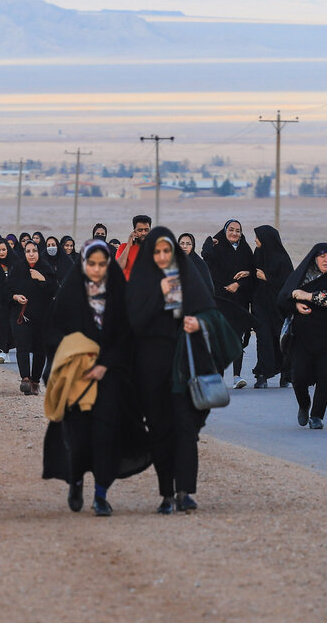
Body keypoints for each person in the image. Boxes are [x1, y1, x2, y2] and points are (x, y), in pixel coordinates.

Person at [126, 227, 237, 514]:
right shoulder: (141, 282)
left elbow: (211, 314)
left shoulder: (187, 277)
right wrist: (159, 295)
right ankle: (166, 494)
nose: (163, 257)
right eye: (157, 252)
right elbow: (132, 322)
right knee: (161, 433)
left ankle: (184, 491)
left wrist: (200, 324)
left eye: (168, 251)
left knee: (186, 431)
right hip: (152, 371)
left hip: (186, 370)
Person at [42, 240, 151, 516]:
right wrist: (77, 357)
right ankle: (76, 480)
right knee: (79, 439)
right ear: (83, 264)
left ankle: (101, 494)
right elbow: (54, 333)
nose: (97, 269)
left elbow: (127, 336)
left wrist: (105, 365)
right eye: (92, 263)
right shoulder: (70, 293)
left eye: (103, 264)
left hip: (111, 376)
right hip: (77, 378)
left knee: (107, 436)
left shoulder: (118, 292)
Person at [278, 244, 327, 429]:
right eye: (323, 256)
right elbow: (282, 299)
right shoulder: (301, 277)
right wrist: (295, 305)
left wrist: (308, 296)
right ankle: (304, 405)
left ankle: (317, 416)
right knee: (298, 378)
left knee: (324, 378)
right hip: (302, 339)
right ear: (314, 258)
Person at [202, 220, 256, 389]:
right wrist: (210, 241)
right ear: (224, 231)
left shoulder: (246, 250)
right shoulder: (216, 247)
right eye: (231, 230)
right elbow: (206, 256)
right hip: (220, 299)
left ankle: (237, 376)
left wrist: (238, 285)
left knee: (237, 337)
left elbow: (252, 275)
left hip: (239, 299)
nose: (234, 233)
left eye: (238, 230)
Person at [8, 240, 58, 394]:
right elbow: (6, 290)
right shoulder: (17, 268)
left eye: (34, 251)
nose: (31, 254)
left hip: (42, 316)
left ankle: (35, 381)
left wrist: (41, 278)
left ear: (38, 252)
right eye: (28, 251)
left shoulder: (45, 268)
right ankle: (25, 379)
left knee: (39, 349)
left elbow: (55, 290)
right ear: (24, 253)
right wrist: (15, 297)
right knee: (22, 345)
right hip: (21, 315)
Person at [250, 225, 294, 388]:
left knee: (280, 340)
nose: (255, 240)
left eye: (258, 237)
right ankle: (262, 375)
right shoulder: (258, 254)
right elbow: (253, 274)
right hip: (261, 306)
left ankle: (286, 375)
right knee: (263, 339)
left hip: (278, 309)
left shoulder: (282, 259)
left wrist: (267, 277)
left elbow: (287, 285)